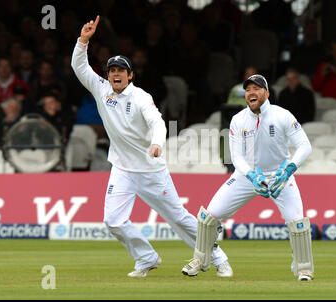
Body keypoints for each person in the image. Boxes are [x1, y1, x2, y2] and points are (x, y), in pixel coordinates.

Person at [71, 16, 230, 278]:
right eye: (112, 70)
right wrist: (83, 41)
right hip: (122, 169)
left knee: (178, 218)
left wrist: (157, 144)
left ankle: (217, 257)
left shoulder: (142, 97)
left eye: (121, 71)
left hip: (151, 170)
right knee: (113, 221)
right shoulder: (102, 90)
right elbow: (80, 67)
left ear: (131, 75)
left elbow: (158, 122)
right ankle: (146, 258)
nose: (116, 74)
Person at [182, 74, 314, 281]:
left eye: (257, 89)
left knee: (297, 223)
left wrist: (288, 170)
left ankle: (303, 268)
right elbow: (236, 156)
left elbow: (305, 146)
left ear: (267, 93)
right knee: (209, 216)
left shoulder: (282, 115)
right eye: (248, 90)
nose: (252, 93)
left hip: (280, 176)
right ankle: (200, 259)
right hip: (247, 176)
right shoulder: (238, 119)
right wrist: (252, 175)